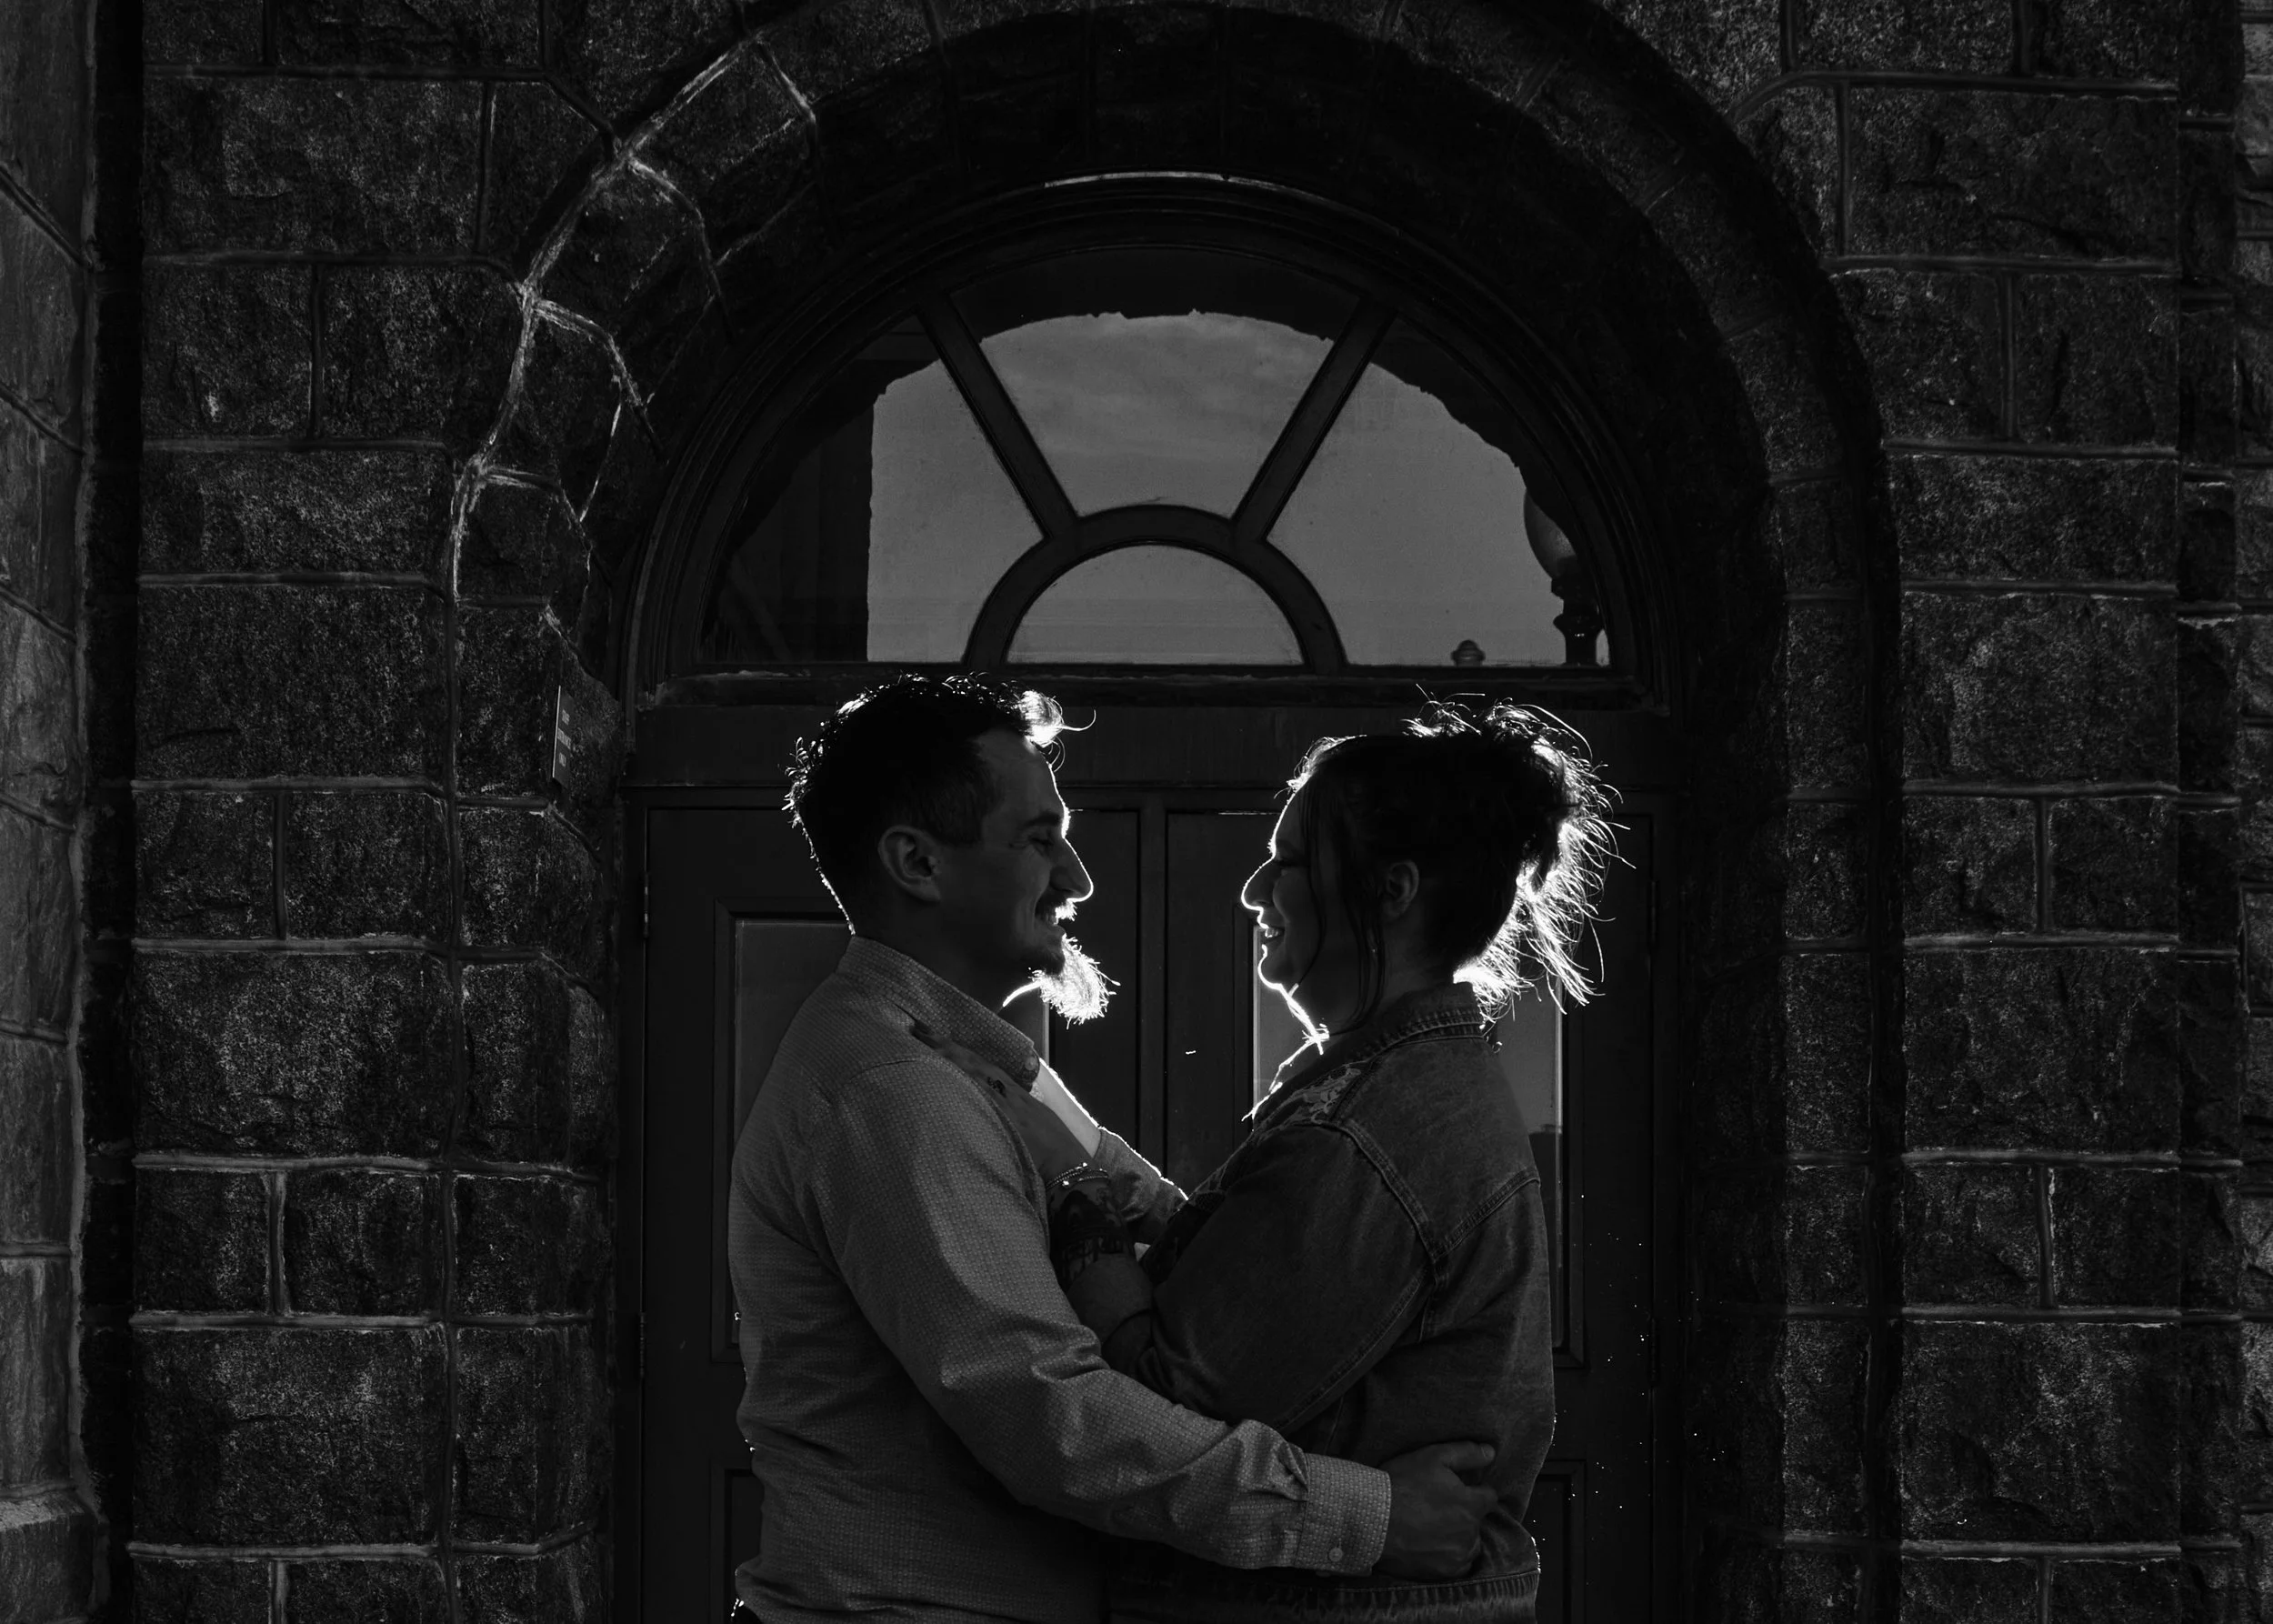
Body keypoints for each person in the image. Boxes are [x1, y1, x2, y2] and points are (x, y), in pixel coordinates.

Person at [726, 674, 1498, 1624]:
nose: (1077, 879)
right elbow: (1055, 1421)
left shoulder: (977, 1066)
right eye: (1037, 840)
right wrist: (1370, 1517)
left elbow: (1167, 1228)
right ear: (916, 863)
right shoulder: (896, 1092)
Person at [983, 700, 1607, 1621]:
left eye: (1289, 862)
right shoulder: (1387, 1094)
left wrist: (1082, 1226)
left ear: (1390, 890)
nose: (1253, 892)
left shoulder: (1363, 1135)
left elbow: (1161, 1394)